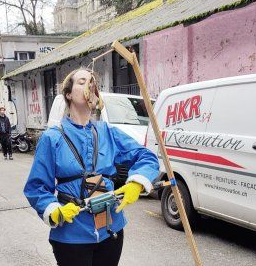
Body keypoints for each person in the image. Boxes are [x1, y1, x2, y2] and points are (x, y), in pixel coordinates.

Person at [24, 68, 159, 266]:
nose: (90, 85)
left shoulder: (107, 132)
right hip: (72, 234)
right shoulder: (52, 137)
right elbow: (36, 187)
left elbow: (146, 156)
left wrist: (136, 183)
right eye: (82, 81)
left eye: (92, 81)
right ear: (68, 94)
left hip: (111, 229)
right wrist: (52, 210)